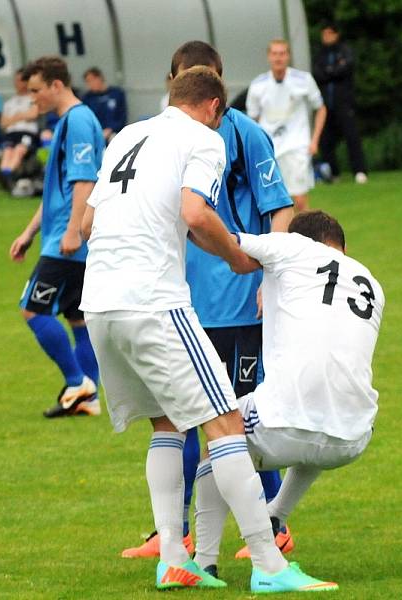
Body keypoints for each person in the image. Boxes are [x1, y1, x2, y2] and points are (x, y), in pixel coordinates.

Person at [79, 65, 333, 593]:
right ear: (216, 106)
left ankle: (174, 558)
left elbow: (88, 224)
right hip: (154, 302)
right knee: (226, 424)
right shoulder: (203, 138)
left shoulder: (128, 135)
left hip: (99, 304)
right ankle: (269, 566)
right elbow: (195, 213)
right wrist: (238, 256)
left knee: (168, 425)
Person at [121, 41, 295, 562]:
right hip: (178, 304)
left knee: (238, 420)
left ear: (218, 86)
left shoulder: (245, 135)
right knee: (181, 418)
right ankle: (173, 534)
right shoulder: (157, 138)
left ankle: (271, 525)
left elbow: (278, 210)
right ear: (173, 82)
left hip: (238, 301)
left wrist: (270, 274)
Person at [192, 210, 384, 584]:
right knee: (321, 409)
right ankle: (276, 514)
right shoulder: (372, 284)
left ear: (302, 238)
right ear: (343, 248)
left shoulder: (291, 246)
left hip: (282, 426)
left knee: (217, 429)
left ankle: (205, 560)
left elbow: (225, 239)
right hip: (353, 438)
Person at [9, 56, 104, 419]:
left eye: (36, 91)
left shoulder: (78, 120)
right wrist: (29, 231)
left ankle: (77, 381)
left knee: (32, 308)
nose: (34, 99)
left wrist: (72, 231)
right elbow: (58, 190)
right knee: (76, 317)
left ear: (56, 85)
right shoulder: (70, 121)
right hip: (64, 235)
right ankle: (87, 398)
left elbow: (84, 181)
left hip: (69, 240)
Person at [247, 39, 326, 213]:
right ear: (269, 56)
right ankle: (283, 238)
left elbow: (320, 108)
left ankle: (305, 237)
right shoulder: (258, 85)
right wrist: (255, 147)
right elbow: (252, 119)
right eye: (275, 54)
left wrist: (314, 140)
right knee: (275, 203)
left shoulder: (303, 79)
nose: (278, 58)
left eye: (282, 53)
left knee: (299, 200)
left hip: (297, 145)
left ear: (288, 56)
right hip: (270, 148)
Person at [312, 22, 368, 184]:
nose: (326, 37)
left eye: (329, 34)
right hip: (325, 105)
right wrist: (333, 70)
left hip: (344, 103)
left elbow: (345, 69)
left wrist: (330, 71)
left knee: (352, 137)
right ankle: (333, 172)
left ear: (336, 35)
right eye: (324, 34)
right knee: (326, 140)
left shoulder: (344, 50)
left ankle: (359, 170)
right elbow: (318, 73)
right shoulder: (320, 54)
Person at [0, 68, 40, 194]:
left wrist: (14, 117)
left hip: (27, 133)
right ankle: (6, 179)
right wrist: (22, 116)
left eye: (22, 80)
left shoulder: (33, 99)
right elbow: (3, 123)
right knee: (7, 152)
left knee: (19, 150)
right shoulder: (9, 103)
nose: (18, 83)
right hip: (12, 133)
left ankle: (11, 178)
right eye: (16, 80)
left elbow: (33, 115)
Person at [81, 67, 127, 145]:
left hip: (114, 132)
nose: (90, 84)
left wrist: (110, 129)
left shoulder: (116, 94)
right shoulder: (87, 98)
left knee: (115, 140)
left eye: (92, 80)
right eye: (88, 82)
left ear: (100, 78)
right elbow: (86, 119)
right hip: (95, 133)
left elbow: (122, 117)